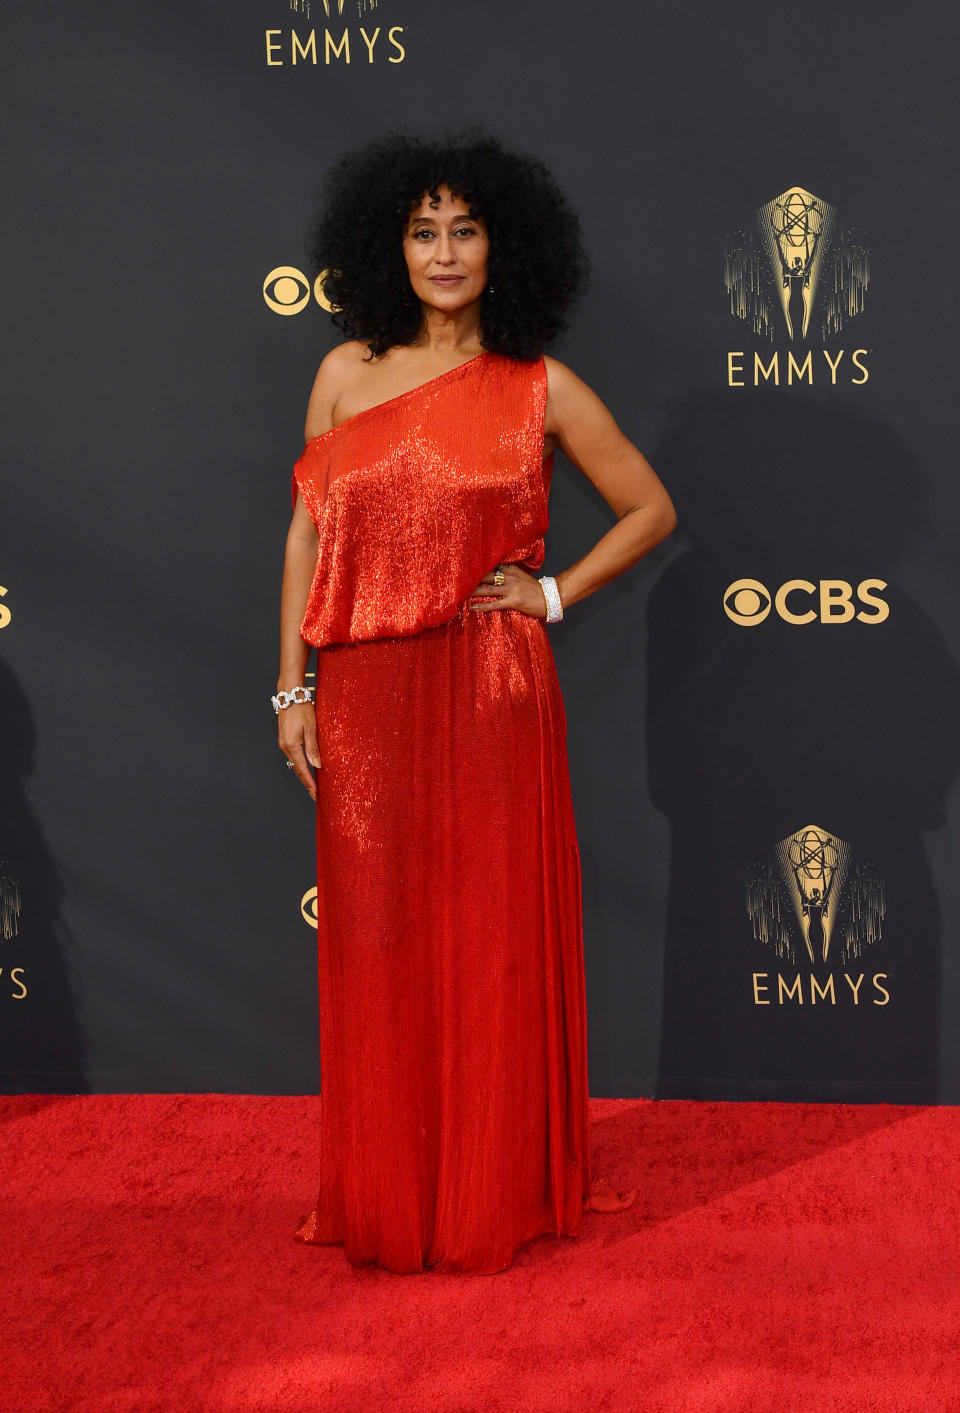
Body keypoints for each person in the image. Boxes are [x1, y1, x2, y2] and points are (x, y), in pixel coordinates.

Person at [276, 129, 676, 1275]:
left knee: (491, 941)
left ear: (505, 245)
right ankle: (392, 1192)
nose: (444, 252)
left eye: (465, 229)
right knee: (379, 944)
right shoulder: (344, 373)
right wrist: (290, 686)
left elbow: (648, 507)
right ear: (387, 248)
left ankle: (491, 1187)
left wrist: (552, 592)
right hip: (361, 696)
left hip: (491, 688)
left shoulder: (537, 384)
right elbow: (308, 532)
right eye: (422, 231)